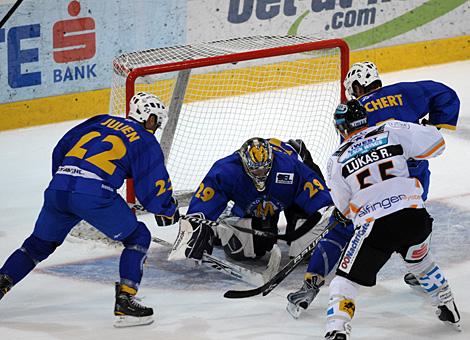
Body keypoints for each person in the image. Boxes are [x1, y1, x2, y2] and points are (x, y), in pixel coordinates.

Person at [286, 61, 460, 318]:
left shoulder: (357, 114)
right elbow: (446, 94)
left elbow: (348, 184)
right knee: (413, 218)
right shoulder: (405, 91)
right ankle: (421, 272)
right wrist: (434, 127)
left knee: (343, 225)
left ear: (355, 87)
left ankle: (311, 285)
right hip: (412, 181)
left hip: (374, 186)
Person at [0, 92, 179, 328]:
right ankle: (126, 301)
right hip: (94, 194)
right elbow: (153, 183)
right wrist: (167, 209)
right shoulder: (145, 139)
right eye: (155, 120)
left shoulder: (100, 120)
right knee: (138, 237)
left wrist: (66, 181)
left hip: (59, 188)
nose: (155, 126)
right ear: (149, 117)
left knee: (36, 246)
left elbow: (61, 147)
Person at [323, 100, 460, 339]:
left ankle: (337, 330)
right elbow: (437, 145)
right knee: (419, 261)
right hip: (414, 216)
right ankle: (446, 302)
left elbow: (346, 208)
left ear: (340, 128)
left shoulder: (336, 159)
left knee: (343, 283)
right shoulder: (390, 129)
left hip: (376, 225)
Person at [171, 137, 333, 263]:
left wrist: (330, 214)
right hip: (253, 203)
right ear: (244, 164)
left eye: (265, 168)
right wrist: (197, 225)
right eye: (256, 170)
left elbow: (320, 197)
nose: (261, 174)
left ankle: (297, 227)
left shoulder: (291, 167)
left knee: (307, 245)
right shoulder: (227, 170)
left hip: (291, 198)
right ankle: (221, 227)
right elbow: (205, 200)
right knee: (247, 251)